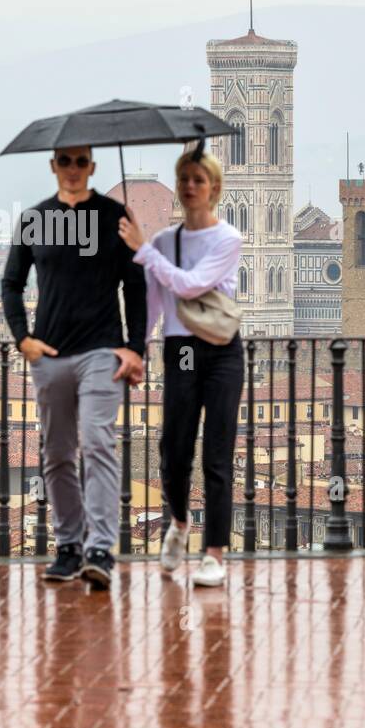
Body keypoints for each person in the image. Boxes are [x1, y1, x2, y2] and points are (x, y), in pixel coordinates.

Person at [1, 146, 146, 590]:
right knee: (58, 454)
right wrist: (23, 339)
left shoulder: (115, 216)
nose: (73, 168)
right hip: (51, 356)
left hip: (102, 353)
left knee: (98, 442)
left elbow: (135, 286)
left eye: (81, 161)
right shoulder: (34, 219)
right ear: (53, 166)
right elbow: (10, 282)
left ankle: (99, 548)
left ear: (93, 167)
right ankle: (68, 547)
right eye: (65, 161)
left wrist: (135, 348)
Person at [118, 148, 243, 588]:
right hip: (181, 351)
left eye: (199, 179)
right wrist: (138, 350)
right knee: (173, 450)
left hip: (222, 351)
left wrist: (144, 251)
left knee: (217, 454)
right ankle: (179, 521)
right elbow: (154, 304)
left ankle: (213, 555)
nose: (190, 186)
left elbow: (190, 285)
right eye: (184, 178)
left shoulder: (228, 239)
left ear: (214, 189)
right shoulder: (164, 243)